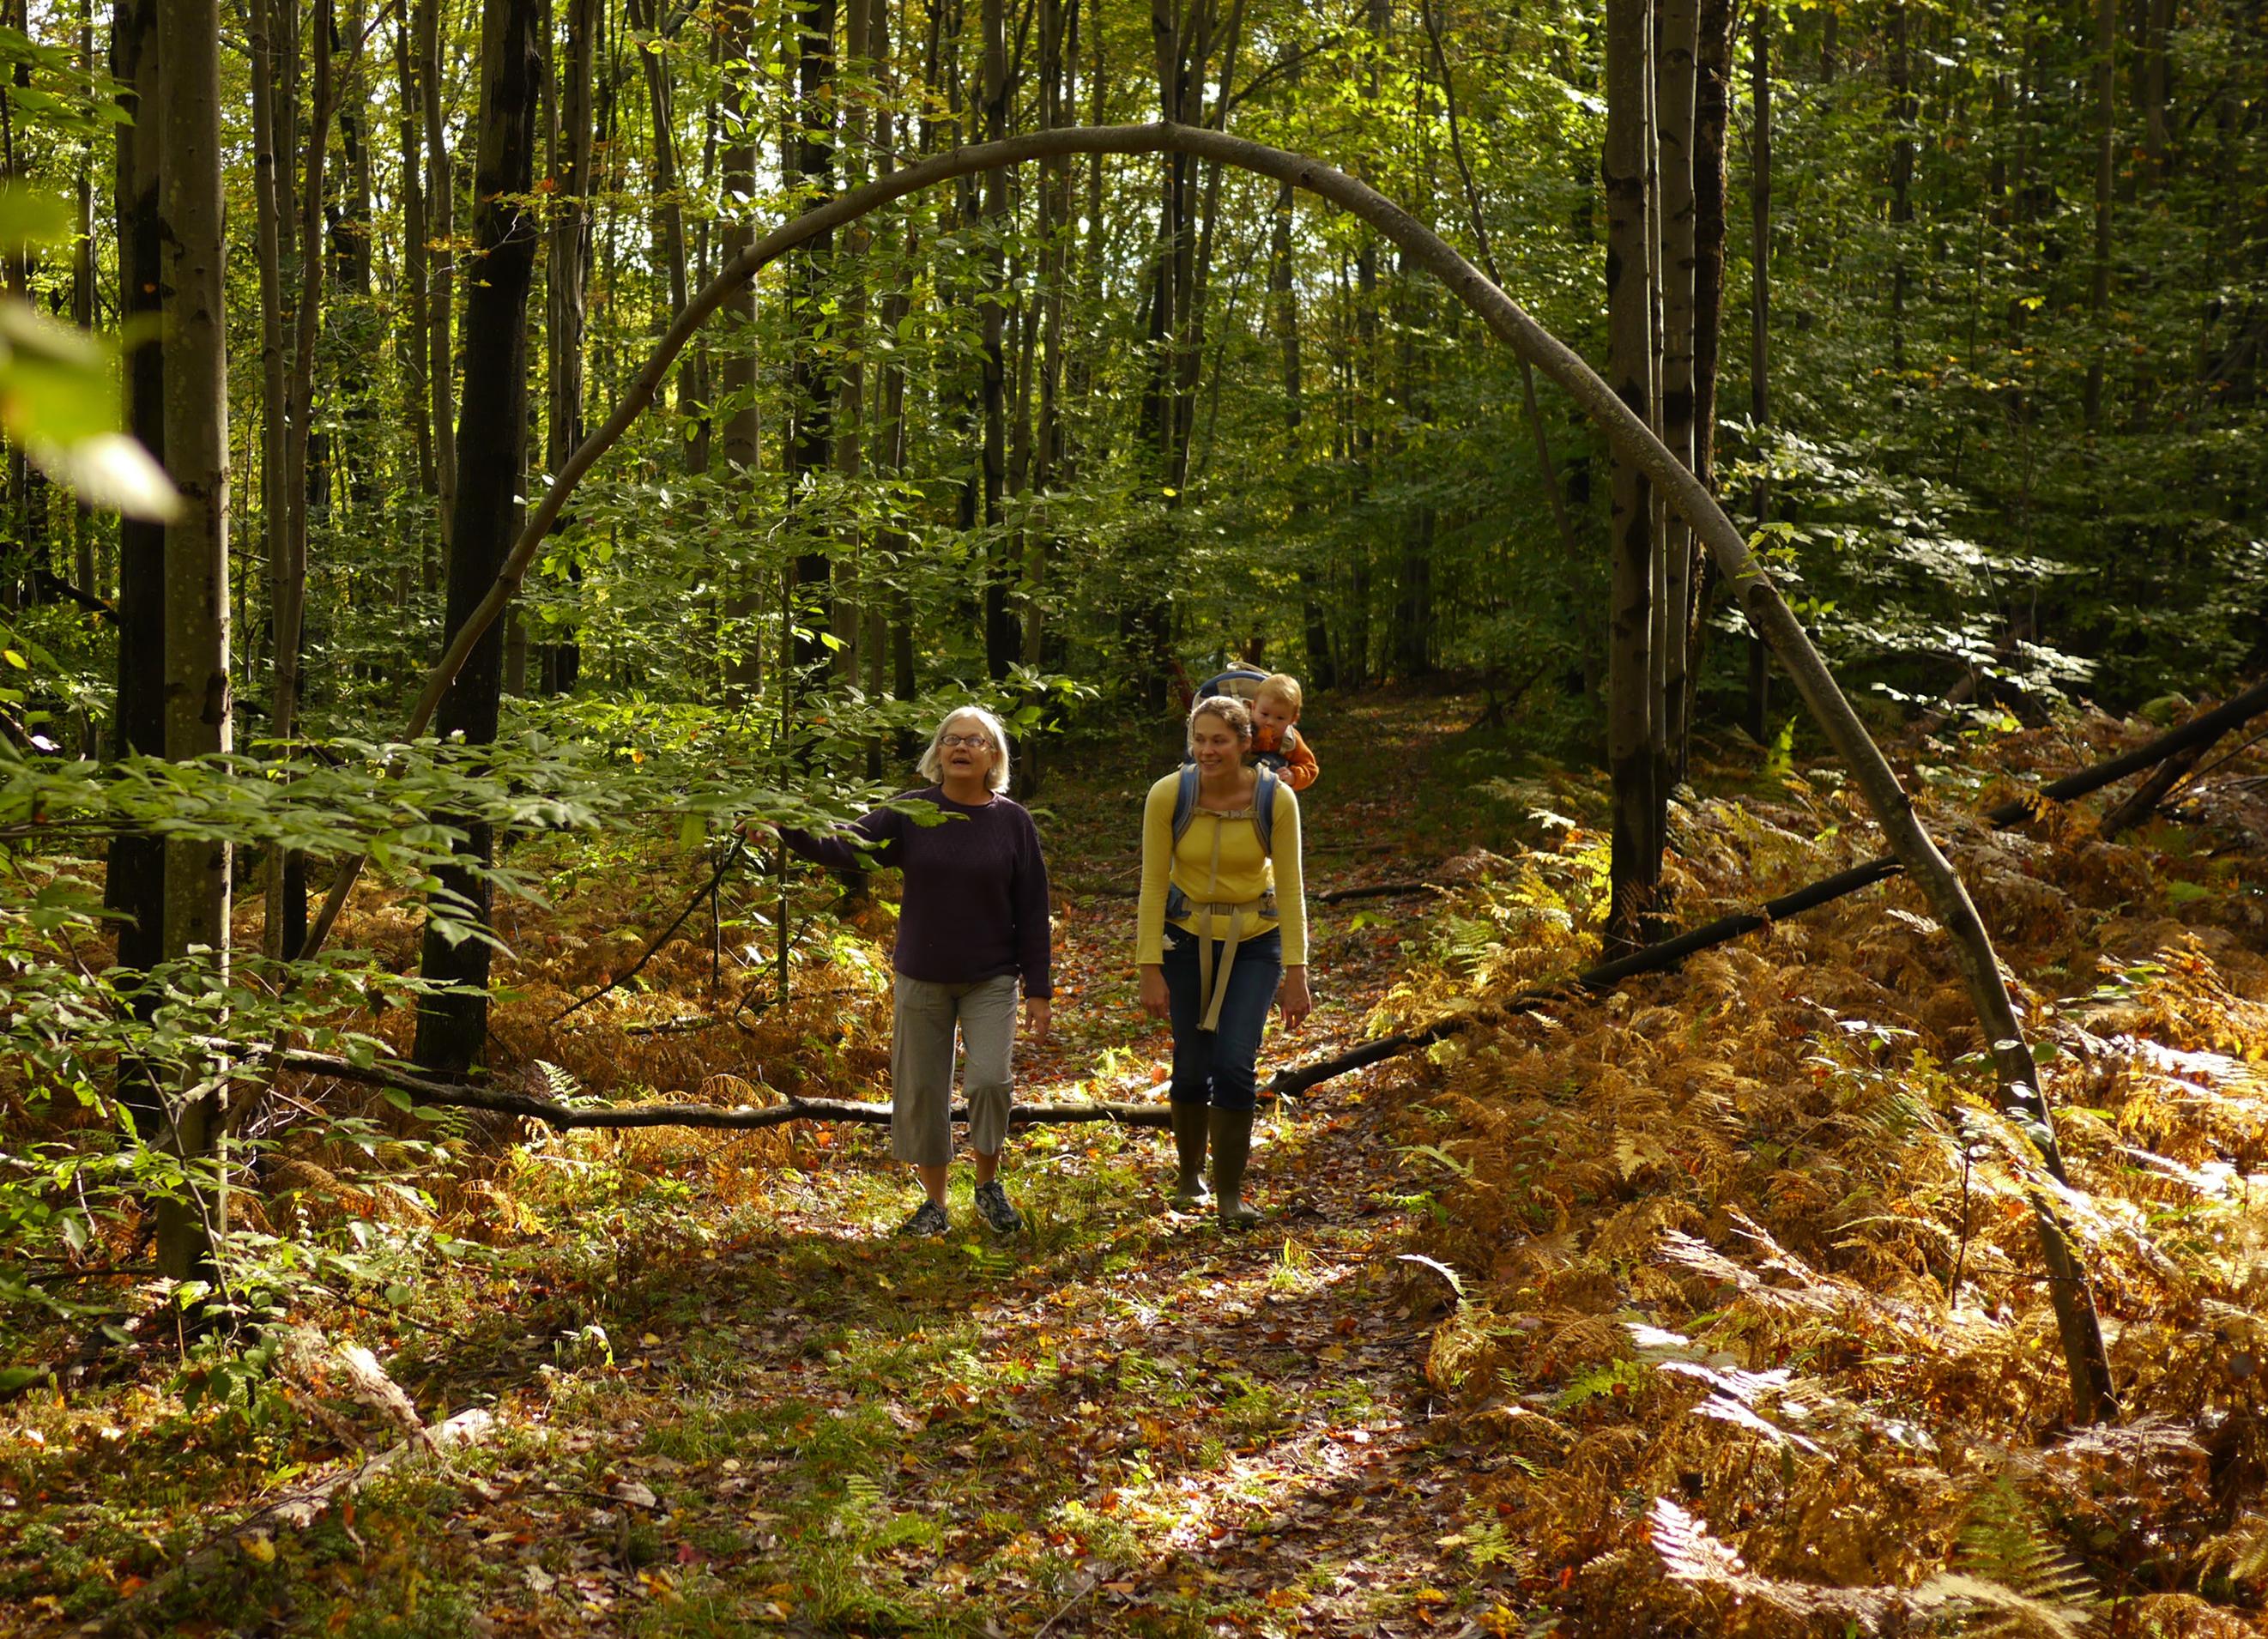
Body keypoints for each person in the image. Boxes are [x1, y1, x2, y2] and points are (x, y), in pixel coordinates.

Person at [771, 705, 1053, 1238]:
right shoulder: (911, 812)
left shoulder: (1012, 822)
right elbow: (846, 845)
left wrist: (1038, 987)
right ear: (938, 753)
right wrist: (786, 826)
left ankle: (989, 1185)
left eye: (975, 740)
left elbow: (1033, 907)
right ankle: (935, 1204)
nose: (961, 747)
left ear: (993, 756)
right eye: (951, 739)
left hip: (992, 976)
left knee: (990, 1081)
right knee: (922, 1090)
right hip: (922, 975)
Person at [1137, 695, 1311, 1228]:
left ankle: (1231, 1195)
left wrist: (1297, 972)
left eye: (1219, 740)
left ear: (1243, 743)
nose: (1207, 750)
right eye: (1199, 739)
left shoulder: (1275, 799)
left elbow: (1292, 887)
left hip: (1256, 940)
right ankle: (1190, 1177)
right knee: (1192, 1064)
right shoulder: (1170, 794)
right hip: (1184, 937)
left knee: (1235, 1063)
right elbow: (1150, 883)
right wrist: (1148, 965)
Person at [1249, 672, 1319, 792]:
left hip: (1269, 792)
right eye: (1264, 714)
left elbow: (1310, 768)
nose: (1270, 722)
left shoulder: (1290, 740)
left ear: (1293, 720)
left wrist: (1293, 776)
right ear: (1253, 708)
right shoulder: (1241, 728)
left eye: (1280, 718)